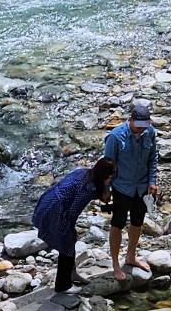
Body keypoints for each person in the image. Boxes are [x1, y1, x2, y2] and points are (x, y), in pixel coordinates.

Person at [33, 158, 115, 293]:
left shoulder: (84, 172)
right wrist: (68, 228)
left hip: (49, 200)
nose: (110, 180)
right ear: (104, 176)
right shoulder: (89, 188)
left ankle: (72, 274)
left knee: (70, 240)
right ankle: (63, 285)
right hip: (56, 209)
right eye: (110, 177)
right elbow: (73, 211)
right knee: (66, 243)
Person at [103, 102, 159, 281]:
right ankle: (115, 264)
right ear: (130, 120)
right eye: (139, 126)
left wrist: (153, 181)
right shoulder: (115, 136)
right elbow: (108, 165)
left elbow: (153, 158)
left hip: (142, 187)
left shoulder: (150, 132)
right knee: (117, 224)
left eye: (145, 126)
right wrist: (106, 190)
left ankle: (131, 257)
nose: (142, 130)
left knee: (137, 222)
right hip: (122, 188)